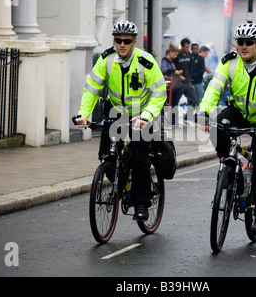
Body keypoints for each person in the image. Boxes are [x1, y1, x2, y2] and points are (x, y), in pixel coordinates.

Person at [197, 23, 256, 236]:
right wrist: (203, 110)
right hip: (238, 112)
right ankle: (229, 168)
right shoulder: (229, 62)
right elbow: (214, 87)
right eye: (240, 42)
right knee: (215, 128)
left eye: (249, 43)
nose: (244, 46)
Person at [75, 20, 167, 221]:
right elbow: (92, 88)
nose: (122, 44)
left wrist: (146, 116)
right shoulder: (106, 59)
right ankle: (121, 182)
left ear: (134, 42)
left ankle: (142, 202)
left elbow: (159, 93)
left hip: (142, 114)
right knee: (106, 156)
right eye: (118, 40)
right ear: (114, 41)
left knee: (140, 159)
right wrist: (84, 114)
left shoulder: (146, 61)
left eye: (127, 41)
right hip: (116, 112)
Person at [173, 38, 198, 126]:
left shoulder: (189, 55)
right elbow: (173, 67)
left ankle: (187, 118)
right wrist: (177, 75)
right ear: (182, 46)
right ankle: (173, 122)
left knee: (194, 99)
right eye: (186, 47)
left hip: (187, 82)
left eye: (188, 47)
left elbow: (191, 66)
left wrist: (190, 76)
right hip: (179, 83)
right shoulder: (177, 55)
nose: (187, 49)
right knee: (175, 102)